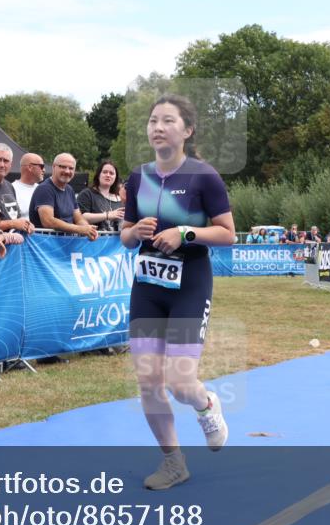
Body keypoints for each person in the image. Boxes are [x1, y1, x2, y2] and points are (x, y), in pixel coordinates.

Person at [120, 94, 236, 491]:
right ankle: (173, 462)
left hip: (190, 284)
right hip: (148, 287)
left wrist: (184, 232)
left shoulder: (205, 177)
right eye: (153, 121)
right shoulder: (137, 177)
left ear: (186, 131)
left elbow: (227, 234)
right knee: (149, 381)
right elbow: (124, 236)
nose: (157, 127)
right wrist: (133, 233)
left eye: (167, 121)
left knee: (180, 382)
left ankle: (206, 405)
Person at [28, 152, 98, 240]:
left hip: (65, 246)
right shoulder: (45, 189)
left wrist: (89, 230)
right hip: (45, 248)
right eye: (63, 167)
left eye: (71, 168)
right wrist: (80, 229)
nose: (67, 171)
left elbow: (78, 218)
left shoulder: (69, 190)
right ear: (53, 167)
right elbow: (48, 221)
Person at [77, 160, 125, 232]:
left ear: (115, 178)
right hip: (94, 240)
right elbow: (80, 217)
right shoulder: (87, 194)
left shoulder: (119, 198)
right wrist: (107, 215)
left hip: (116, 242)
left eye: (111, 173)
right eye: (105, 172)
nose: (108, 175)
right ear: (98, 175)